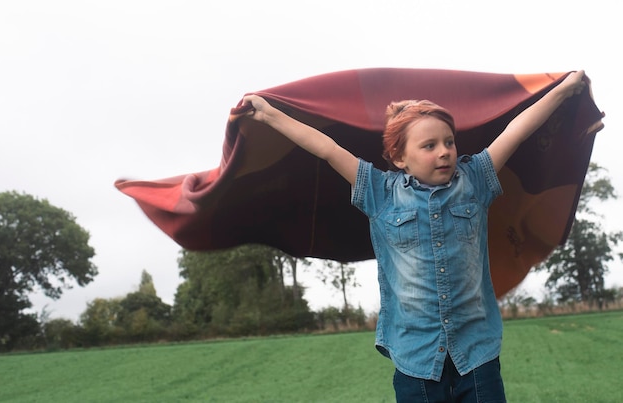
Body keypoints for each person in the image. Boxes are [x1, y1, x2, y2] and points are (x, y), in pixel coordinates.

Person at [242, 71, 586, 402]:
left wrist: (563, 90)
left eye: (449, 142)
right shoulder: (379, 192)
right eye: (430, 145)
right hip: (416, 360)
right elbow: (328, 148)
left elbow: (516, 131)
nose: (444, 151)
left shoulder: (474, 180)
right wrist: (271, 115)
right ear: (399, 157)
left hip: (476, 353)